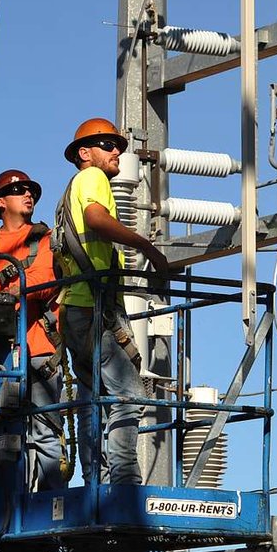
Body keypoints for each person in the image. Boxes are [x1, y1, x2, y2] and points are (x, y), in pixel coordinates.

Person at [54, 118, 169, 486]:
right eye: (106, 144)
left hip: (78, 308)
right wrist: (145, 244)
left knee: (93, 394)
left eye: (117, 144)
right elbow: (95, 218)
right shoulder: (93, 179)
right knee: (129, 394)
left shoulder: (70, 190)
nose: (116, 150)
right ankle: (123, 479)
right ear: (85, 154)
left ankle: (96, 478)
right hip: (92, 307)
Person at [0, 169, 65, 492]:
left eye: (31, 191)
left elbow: (45, 281)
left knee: (45, 434)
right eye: (19, 190)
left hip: (37, 351)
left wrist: (11, 291)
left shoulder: (42, 238)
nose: (29, 195)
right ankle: (5, 503)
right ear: (0, 202)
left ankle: (53, 505)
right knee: (0, 435)